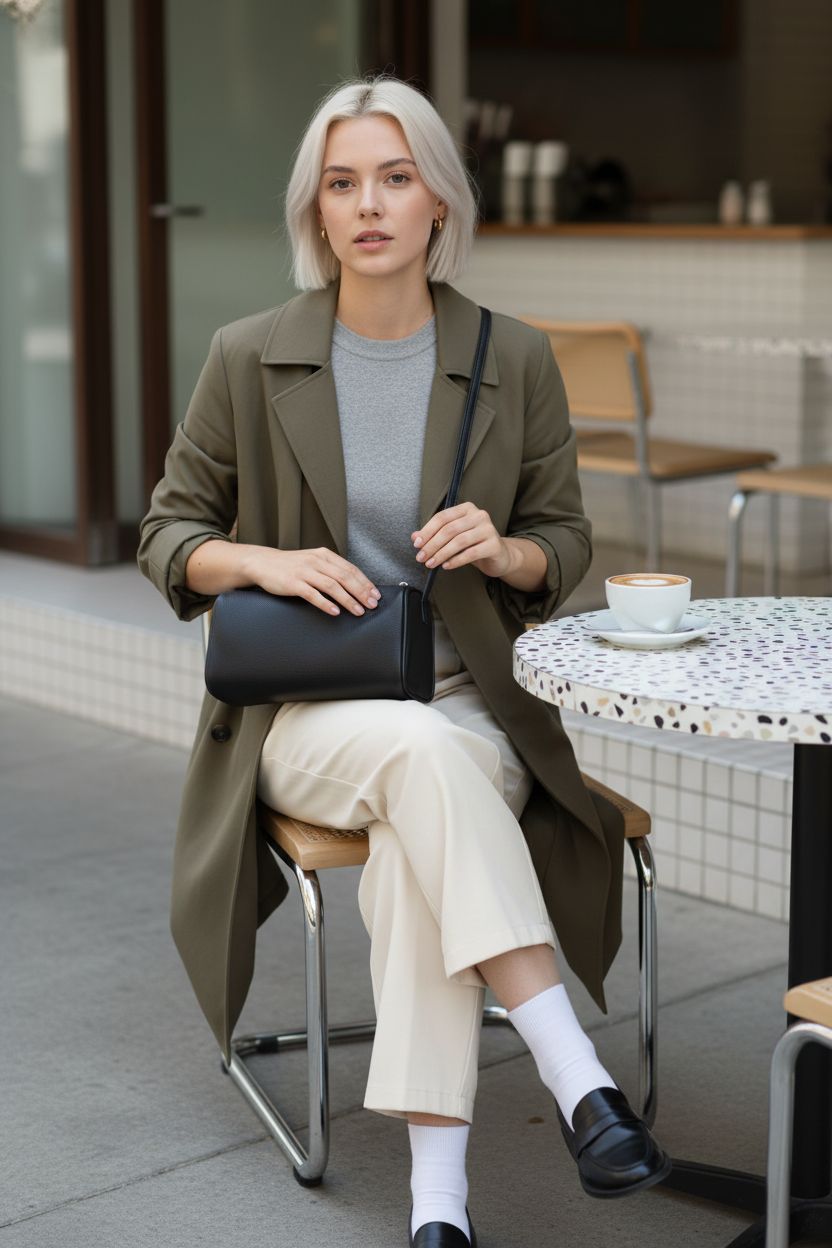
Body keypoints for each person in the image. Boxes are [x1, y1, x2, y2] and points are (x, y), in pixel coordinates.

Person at [138, 73, 669, 1247]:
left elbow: (567, 542)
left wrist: (511, 552)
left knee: (411, 844)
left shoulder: (513, 357)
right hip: (307, 717)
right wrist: (264, 564)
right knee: (419, 764)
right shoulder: (246, 355)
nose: (368, 203)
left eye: (394, 176)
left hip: (471, 707)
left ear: (439, 203)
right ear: (315, 213)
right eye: (341, 183)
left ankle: (440, 1211)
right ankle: (574, 1072)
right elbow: (166, 535)